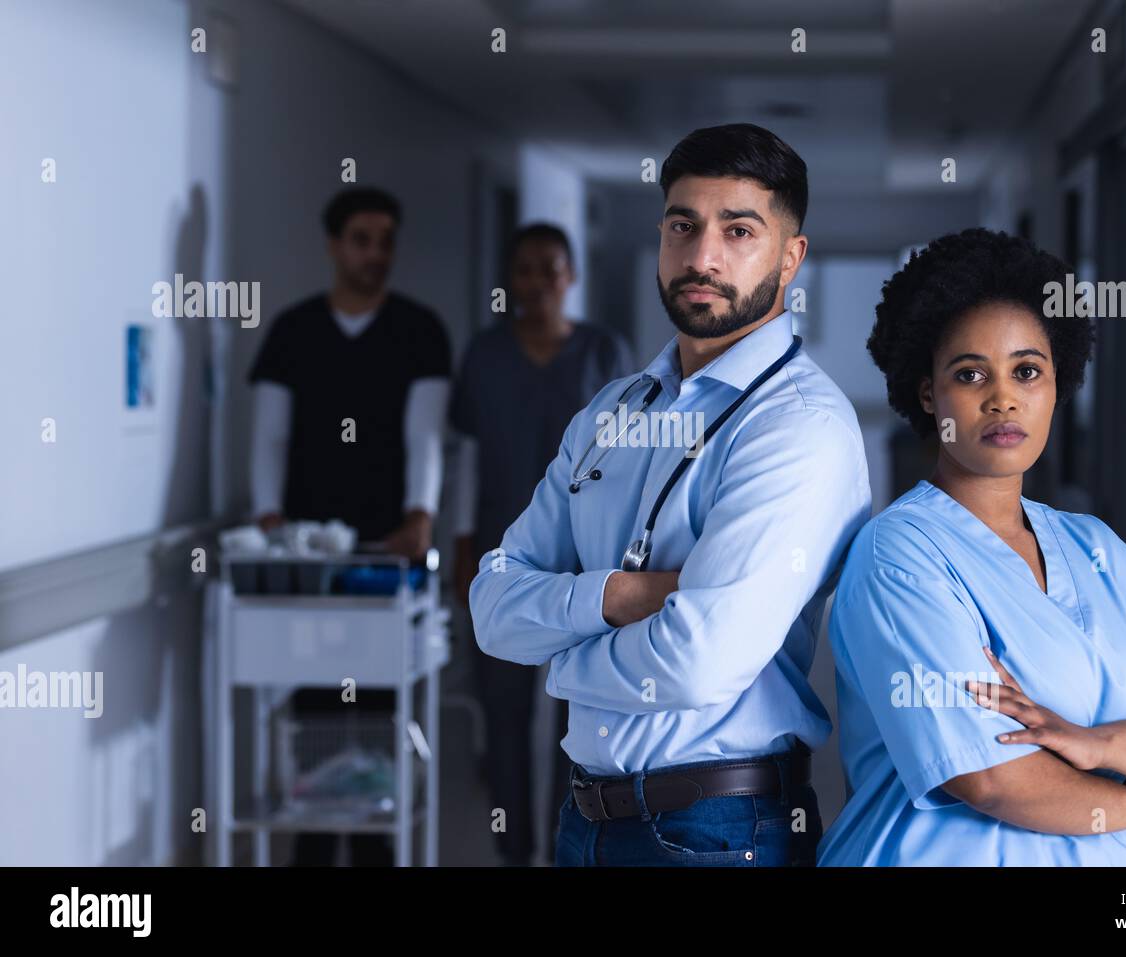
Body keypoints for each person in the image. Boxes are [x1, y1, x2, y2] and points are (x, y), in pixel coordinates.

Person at [469, 123, 872, 867]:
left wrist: (560, 663)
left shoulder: (799, 427)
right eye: (682, 225)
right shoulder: (614, 410)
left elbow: (697, 662)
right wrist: (621, 596)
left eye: (738, 229)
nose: (701, 256)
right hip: (586, 818)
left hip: (719, 830)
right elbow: (492, 605)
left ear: (791, 257)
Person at [817, 227, 1126, 867]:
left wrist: (1093, 744)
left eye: (1027, 370)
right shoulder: (898, 556)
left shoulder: (1098, 548)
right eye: (970, 375)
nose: (1003, 397)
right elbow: (992, 778)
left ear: (1057, 386)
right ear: (927, 393)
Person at [247, 186, 453, 865]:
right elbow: (269, 437)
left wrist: (420, 515)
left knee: (378, 699)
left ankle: (373, 836)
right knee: (314, 701)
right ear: (336, 246)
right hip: (313, 554)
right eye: (362, 239)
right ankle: (313, 833)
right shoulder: (293, 332)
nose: (375, 254)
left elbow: (425, 436)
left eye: (385, 240)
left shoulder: (418, 331)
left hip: (384, 554)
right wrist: (272, 519)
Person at [447, 222, 635, 866]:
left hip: (587, 562)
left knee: (576, 717)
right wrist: (462, 540)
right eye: (524, 269)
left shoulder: (604, 352)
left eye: (550, 269)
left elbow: (635, 458)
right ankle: (511, 850)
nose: (537, 283)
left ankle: (565, 849)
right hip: (504, 558)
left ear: (571, 276)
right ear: (509, 278)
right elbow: (466, 453)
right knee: (501, 712)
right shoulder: (484, 355)